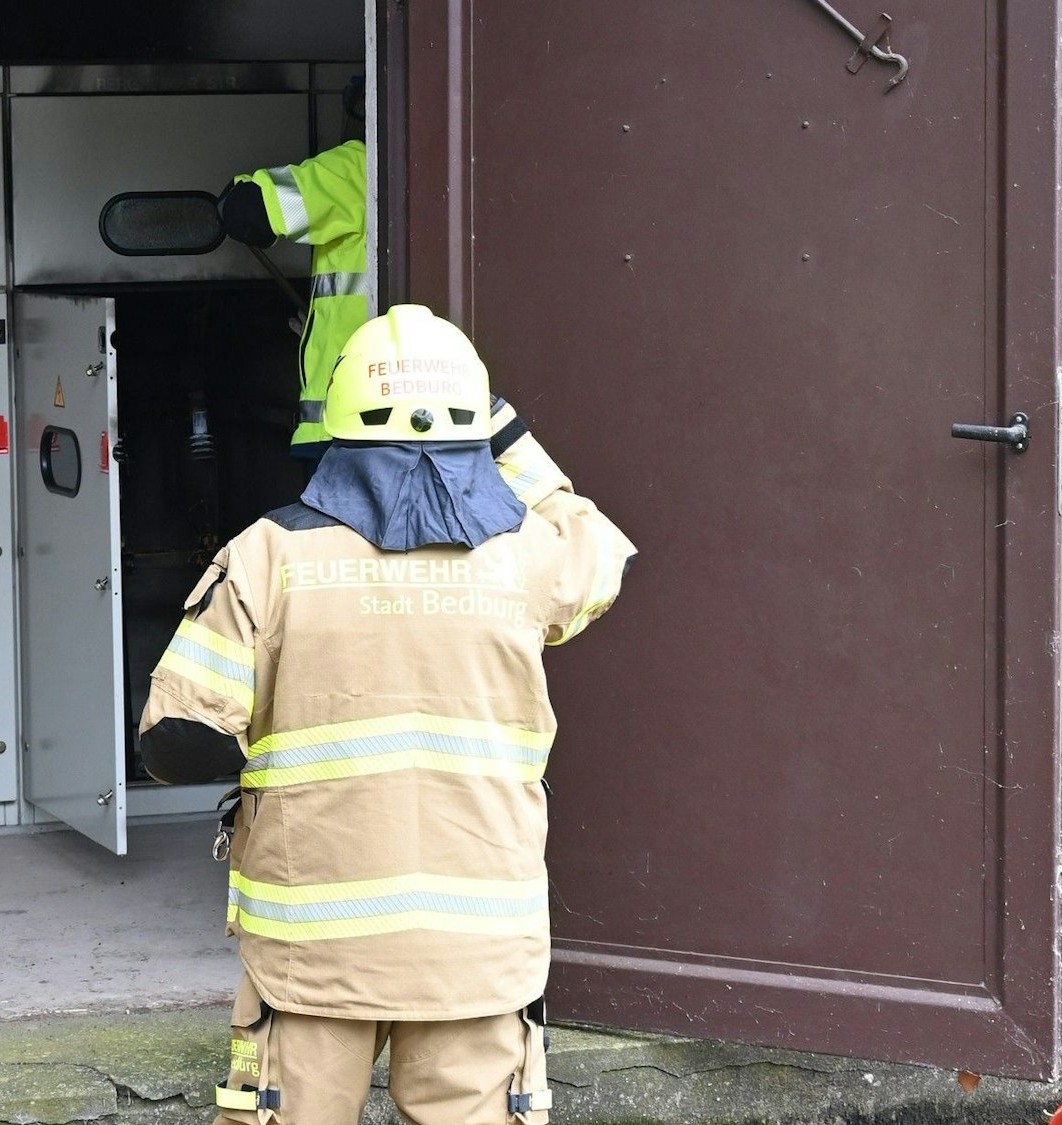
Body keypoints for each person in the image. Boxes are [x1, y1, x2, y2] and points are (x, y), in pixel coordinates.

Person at [136, 305, 635, 1125]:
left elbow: (176, 743)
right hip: (477, 949)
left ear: (337, 428)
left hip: (313, 950)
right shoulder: (530, 558)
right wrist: (511, 442)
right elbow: (600, 551)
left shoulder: (269, 555)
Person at [220, 141, 369, 458]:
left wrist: (233, 193)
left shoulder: (360, 168)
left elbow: (249, 210)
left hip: (345, 431)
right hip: (434, 429)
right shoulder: (472, 184)